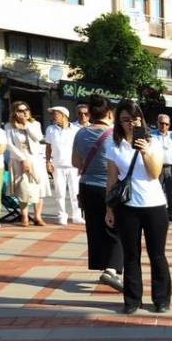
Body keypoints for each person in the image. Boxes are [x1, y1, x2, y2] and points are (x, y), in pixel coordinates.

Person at [105, 100, 171, 315]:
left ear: (141, 119)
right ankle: (132, 300)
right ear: (119, 122)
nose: (131, 124)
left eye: (134, 119)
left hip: (154, 205)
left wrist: (144, 151)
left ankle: (161, 299)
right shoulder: (114, 146)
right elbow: (112, 180)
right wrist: (109, 209)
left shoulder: (154, 143)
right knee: (131, 255)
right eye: (125, 120)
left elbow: (154, 173)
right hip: (127, 207)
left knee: (157, 255)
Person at [72, 95, 122, 292]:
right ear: (110, 113)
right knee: (117, 229)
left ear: (90, 114)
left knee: (95, 230)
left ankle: (105, 266)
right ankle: (111, 270)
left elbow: (76, 163)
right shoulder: (114, 135)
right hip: (109, 187)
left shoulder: (80, 134)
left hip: (87, 186)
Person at [6, 101, 49, 227]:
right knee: (23, 188)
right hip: (19, 158)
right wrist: (22, 159)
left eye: (26, 110)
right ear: (15, 112)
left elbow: (38, 137)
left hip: (35, 158)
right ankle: (24, 216)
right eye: (20, 110)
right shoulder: (10, 126)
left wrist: (26, 124)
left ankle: (38, 216)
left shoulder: (35, 124)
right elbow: (9, 144)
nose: (24, 112)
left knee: (38, 187)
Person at [45, 106, 84, 226]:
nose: (53, 116)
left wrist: (81, 163)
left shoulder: (76, 129)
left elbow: (80, 147)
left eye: (55, 114)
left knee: (75, 192)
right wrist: (48, 161)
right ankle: (62, 215)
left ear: (64, 115)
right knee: (60, 192)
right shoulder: (50, 129)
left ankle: (77, 216)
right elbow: (48, 147)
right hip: (58, 165)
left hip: (73, 165)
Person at [153, 113, 172, 217]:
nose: (163, 125)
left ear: (169, 125)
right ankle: (156, 212)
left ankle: (171, 213)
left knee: (171, 191)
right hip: (156, 166)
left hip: (169, 167)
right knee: (156, 189)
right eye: (161, 123)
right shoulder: (151, 136)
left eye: (166, 124)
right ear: (157, 123)